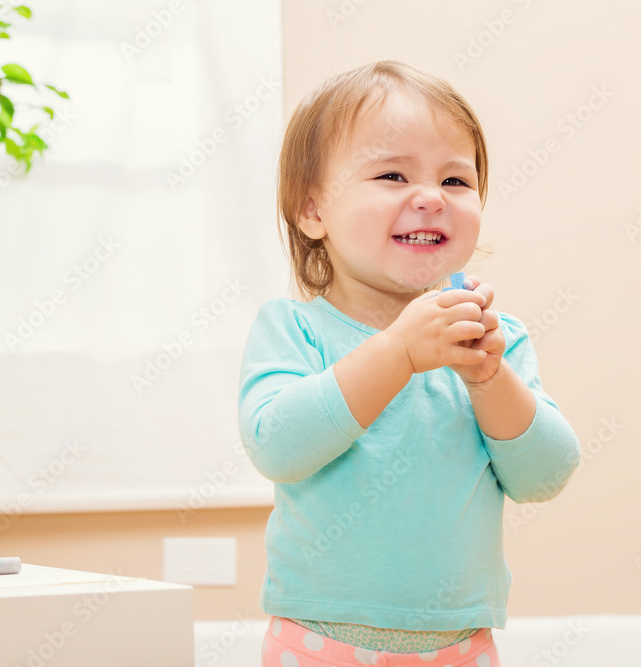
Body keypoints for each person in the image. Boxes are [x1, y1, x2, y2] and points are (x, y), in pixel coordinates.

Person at [237, 60, 580, 667]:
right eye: (393, 173)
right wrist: (397, 352)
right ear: (313, 210)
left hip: (461, 646)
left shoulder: (494, 343)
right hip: (322, 641)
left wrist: (490, 379)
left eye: (456, 181)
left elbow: (544, 476)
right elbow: (278, 446)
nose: (430, 197)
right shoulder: (294, 330)